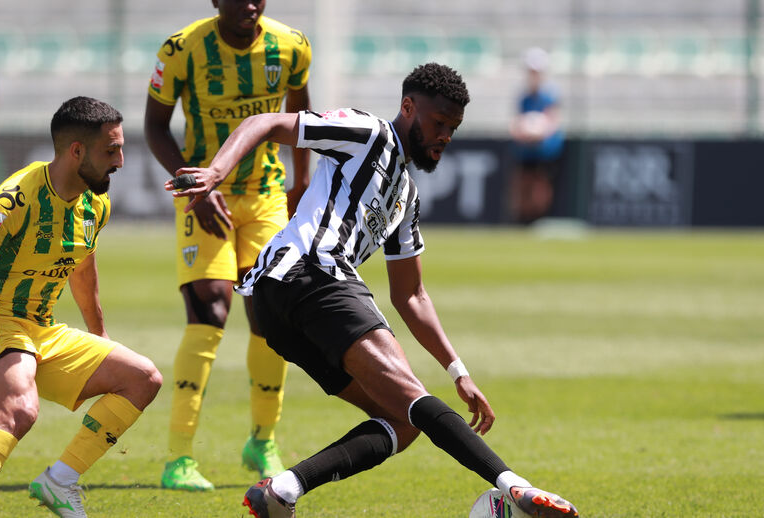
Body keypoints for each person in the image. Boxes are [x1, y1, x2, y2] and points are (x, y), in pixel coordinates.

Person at [166, 63, 579, 518]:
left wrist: (458, 370)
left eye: (453, 128)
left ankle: (280, 491)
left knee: (403, 421)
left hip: (281, 308)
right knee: (411, 398)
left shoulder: (406, 193)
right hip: (310, 273)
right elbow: (263, 122)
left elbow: (412, 295)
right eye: (439, 123)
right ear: (408, 107)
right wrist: (217, 171)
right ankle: (516, 488)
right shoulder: (367, 132)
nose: (445, 136)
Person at [0, 96, 163, 518]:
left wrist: (99, 333)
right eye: (111, 150)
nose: (121, 161)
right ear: (77, 151)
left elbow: (82, 266)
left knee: (143, 377)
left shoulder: (96, 202)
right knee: (19, 410)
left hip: (43, 330)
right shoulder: (14, 200)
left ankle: (60, 481)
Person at [144, 0, 312, 491]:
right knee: (211, 310)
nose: (251, 4)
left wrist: (301, 184)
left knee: (269, 313)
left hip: (265, 196)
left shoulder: (291, 46)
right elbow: (155, 126)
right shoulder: (182, 49)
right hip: (202, 195)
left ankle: (262, 440)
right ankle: (179, 458)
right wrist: (192, 184)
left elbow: (302, 116)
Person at [508, 46, 565, 224]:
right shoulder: (524, 97)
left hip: (545, 150)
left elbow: (552, 122)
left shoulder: (550, 95)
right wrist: (521, 132)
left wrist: (537, 132)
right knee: (523, 185)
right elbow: (517, 122)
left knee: (540, 187)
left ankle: (538, 219)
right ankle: (523, 220)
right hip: (526, 150)